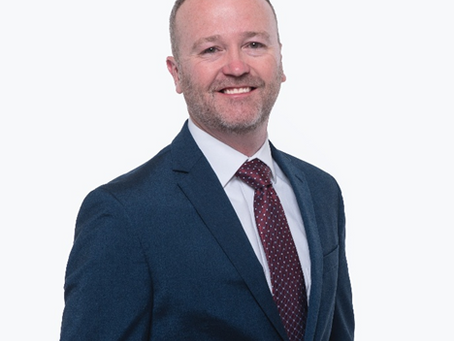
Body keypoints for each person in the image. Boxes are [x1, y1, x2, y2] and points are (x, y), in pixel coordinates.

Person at [60, 0, 354, 340]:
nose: (236, 66)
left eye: (254, 44)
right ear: (177, 73)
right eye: (211, 49)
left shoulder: (321, 191)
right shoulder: (123, 214)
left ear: (281, 59)